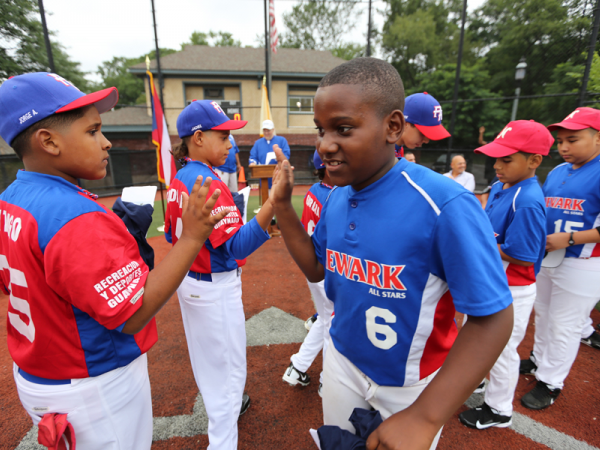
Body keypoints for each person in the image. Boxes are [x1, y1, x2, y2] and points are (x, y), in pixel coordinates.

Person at [270, 57, 514, 450]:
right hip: (342, 361)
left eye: (343, 128)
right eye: (321, 130)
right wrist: (283, 209)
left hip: (411, 382)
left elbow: (494, 316)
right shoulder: (336, 197)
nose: (325, 144)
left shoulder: (444, 202)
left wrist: (425, 416)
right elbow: (317, 269)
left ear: (393, 127)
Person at [0, 72, 228, 449]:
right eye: (92, 131)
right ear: (48, 141)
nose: (106, 142)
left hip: (40, 375)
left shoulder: (10, 197)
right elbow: (133, 313)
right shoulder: (73, 214)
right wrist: (190, 238)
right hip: (92, 384)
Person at [165, 100, 275, 450]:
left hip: (190, 282)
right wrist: (272, 205)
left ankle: (222, 409)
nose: (231, 143)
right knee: (228, 378)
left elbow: (171, 237)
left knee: (210, 368)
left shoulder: (179, 176)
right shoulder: (207, 181)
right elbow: (235, 248)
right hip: (214, 287)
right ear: (197, 138)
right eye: (224, 134)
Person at [458, 120, 551, 429]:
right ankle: (481, 385)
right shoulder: (502, 186)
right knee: (478, 341)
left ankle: (498, 410)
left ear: (534, 160)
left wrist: (480, 240)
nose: (497, 165)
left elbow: (522, 254)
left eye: (506, 159)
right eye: (497, 157)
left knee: (501, 350)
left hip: (512, 288)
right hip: (494, 282)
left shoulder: (526, 199)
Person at [520, 107, 600, 410]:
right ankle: (539, 360)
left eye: (573, 139)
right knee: (542, 313)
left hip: (584, 261)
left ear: (598, 138)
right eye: (560, 140)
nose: (564, 146)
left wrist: (569, 238)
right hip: (551, 256)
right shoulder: (556, 172)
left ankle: (551, 381)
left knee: (565, 324)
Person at [283, 150, 335, 393]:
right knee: (335, 325)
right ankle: (328, 379)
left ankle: (298, 367)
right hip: (328, 269)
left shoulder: (313, 191)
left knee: (325, 320)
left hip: (311, 265)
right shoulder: (336, 195)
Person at [394, 92, 450, 159]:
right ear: (404, 124)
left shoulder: (398, 148)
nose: (426, 141)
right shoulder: (380, 149)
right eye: (422, 133)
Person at [249, 119, 291, 188]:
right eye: (264, 131)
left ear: (273, 130)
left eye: (268, 130)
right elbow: (253, 156)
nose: (266, 133)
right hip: (264, 178)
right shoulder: (258, 143)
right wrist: (253, 162)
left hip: (279, 178)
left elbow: (286, 155)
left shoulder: (282, 140)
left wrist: (279, 159)